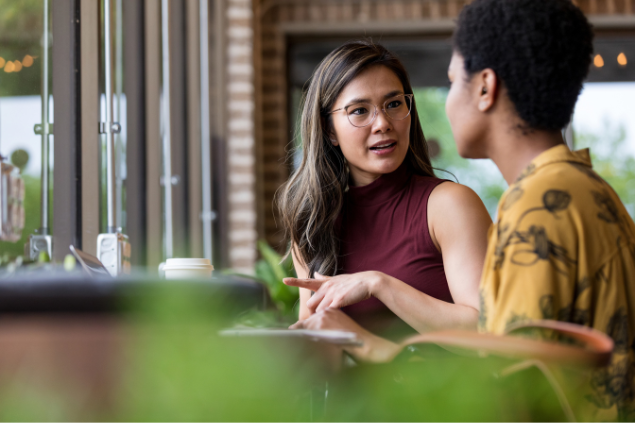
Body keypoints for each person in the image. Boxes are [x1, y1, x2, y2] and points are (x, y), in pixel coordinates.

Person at [446, 0, 635, 419]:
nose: (447, 102)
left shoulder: (537, 209)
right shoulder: (585, 188)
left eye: (452, 80)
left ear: (484, 87)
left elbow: (510, 392)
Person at [278, 41, 492, 363]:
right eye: (360, 111)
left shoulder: (448, 206)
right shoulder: (312, 225)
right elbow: (320, 349)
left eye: (393, 104)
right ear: (329, 129)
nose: (382, 123)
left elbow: (487, 335)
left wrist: (379, 284)